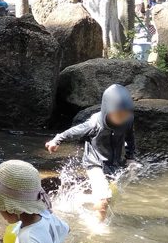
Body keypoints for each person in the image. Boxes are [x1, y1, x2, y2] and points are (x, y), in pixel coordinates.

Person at [46, 84, 135, 221]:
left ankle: (76, 198)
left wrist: (130, 158)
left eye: (125, 115)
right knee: (104, 200)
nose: (122, 118)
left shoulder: (127, 121)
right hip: (94, 164)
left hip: (113, 163)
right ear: (107, 110)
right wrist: (56, 140)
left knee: (112, 196)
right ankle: (96, 229)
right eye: (118, 115)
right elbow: (73, 132)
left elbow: (130, 138)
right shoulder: (94, 124)